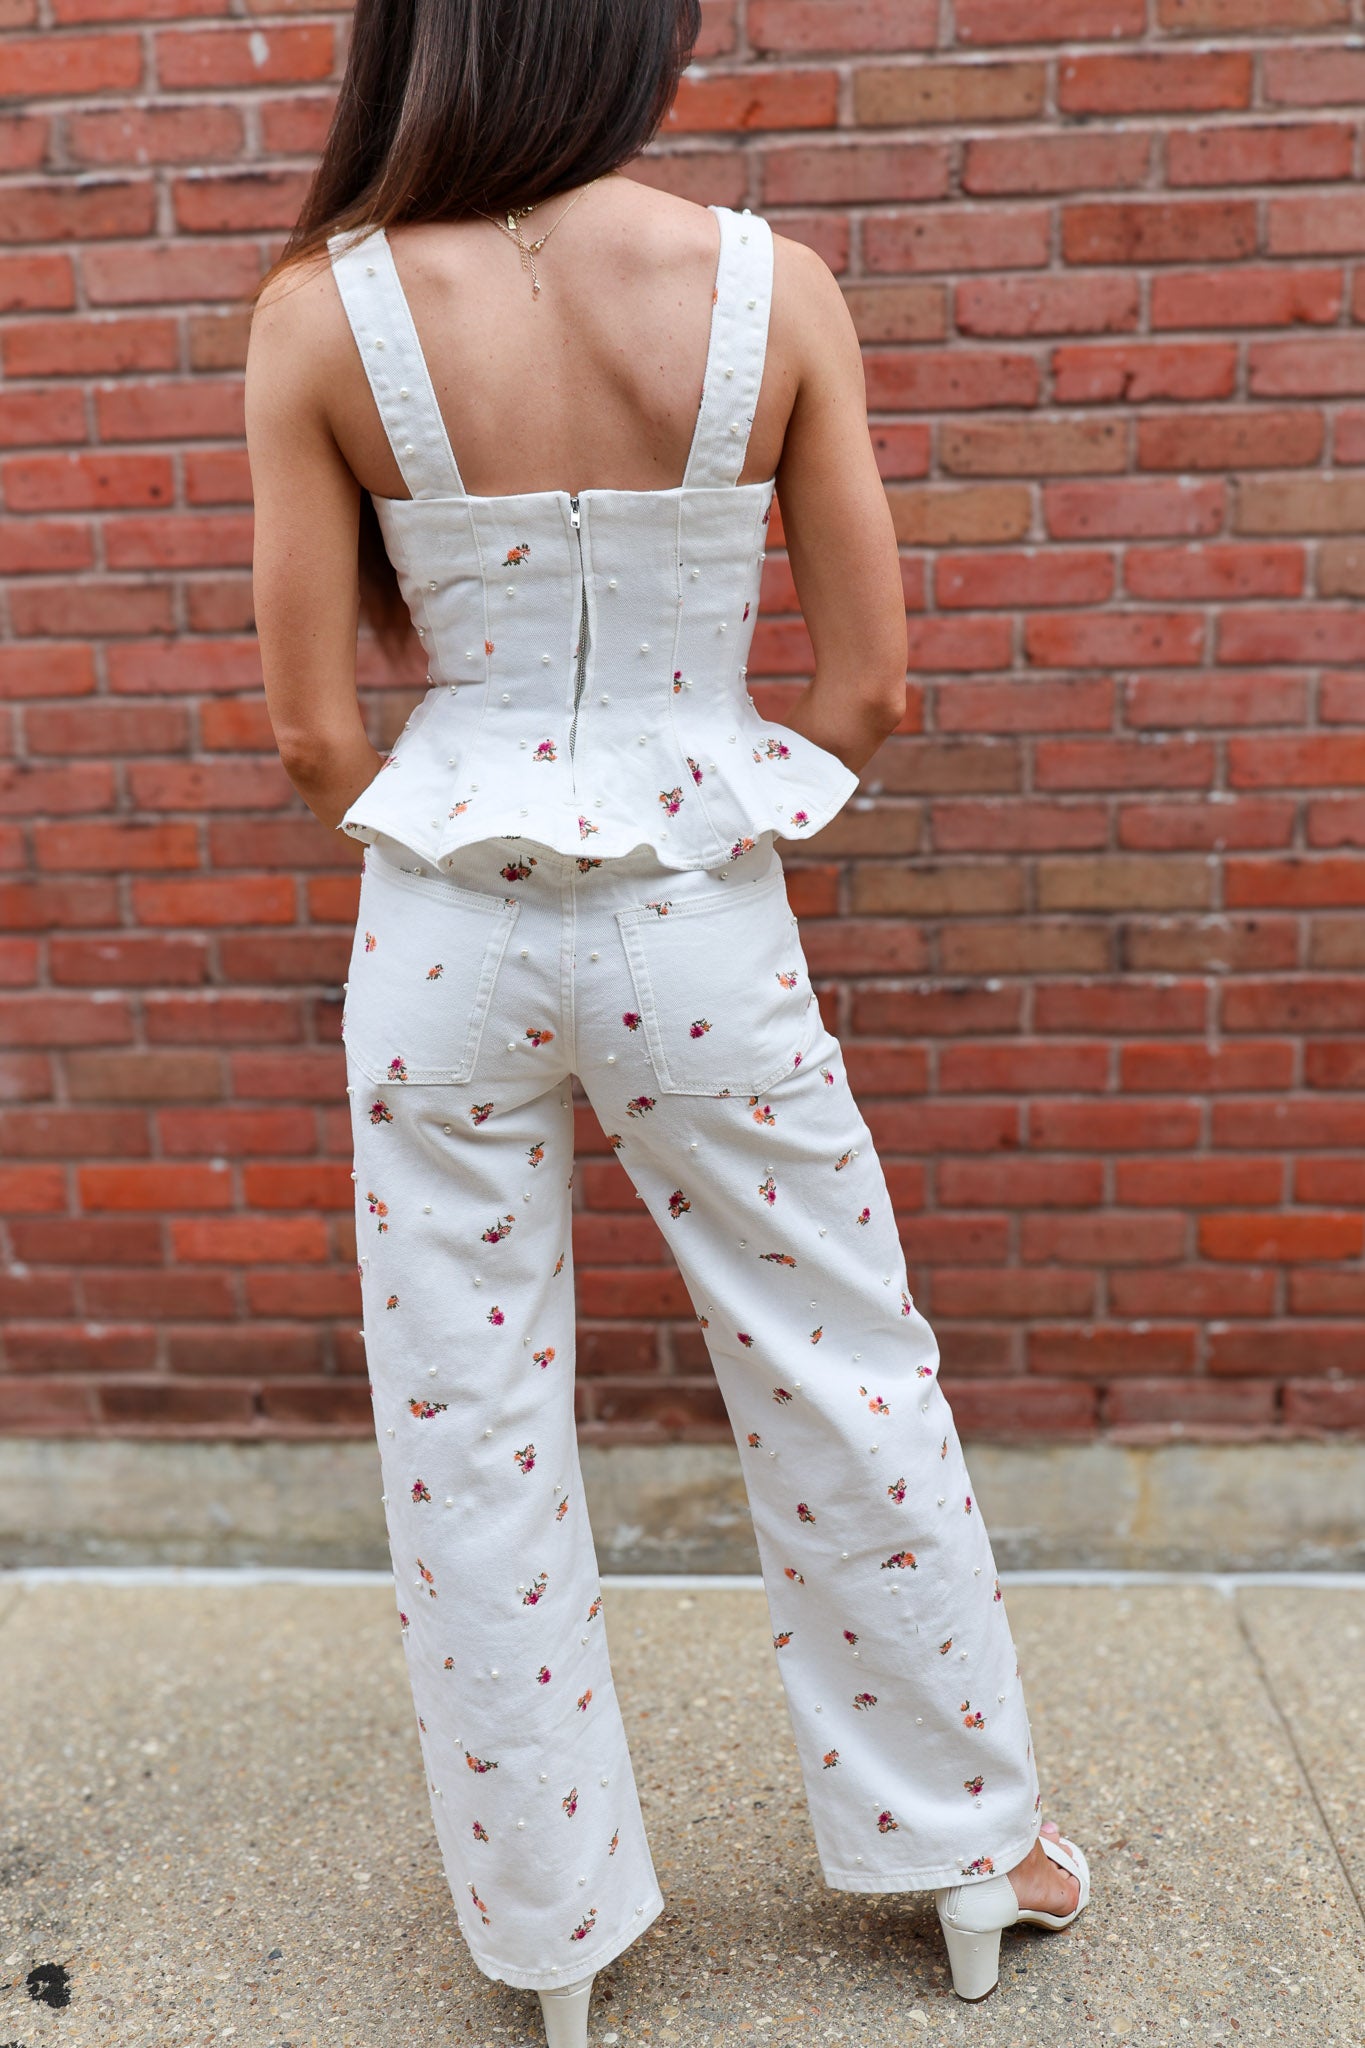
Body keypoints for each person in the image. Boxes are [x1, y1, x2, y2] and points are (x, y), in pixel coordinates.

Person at [243, 0, 1088, 2036]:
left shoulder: (318, 314)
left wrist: (472, 816)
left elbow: (306, 727)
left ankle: (553, 1940)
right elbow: (868, 689)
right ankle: (965, 1853)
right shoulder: (768, 288)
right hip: (701, 912)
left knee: (466, 1417)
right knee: (838, 1360)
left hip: (445, 927)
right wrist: (689, 799)